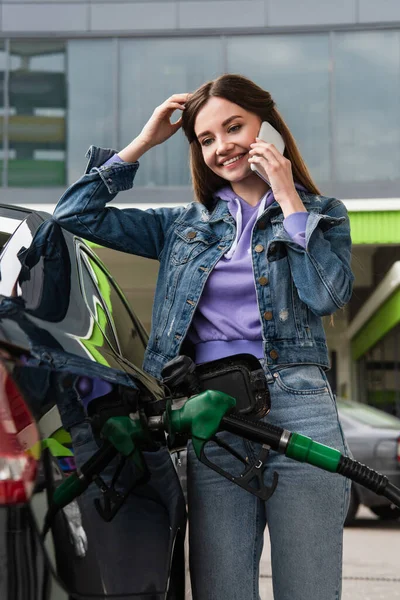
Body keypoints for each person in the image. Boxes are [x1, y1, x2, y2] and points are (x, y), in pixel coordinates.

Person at [53, 73, 353, 600]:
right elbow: (74, 215)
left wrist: (287, 195)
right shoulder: (182, 227)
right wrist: (144, 141)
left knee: (308, 589)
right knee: (221, 590)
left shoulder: (322, 216)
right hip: (210, 415)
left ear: (269, 127)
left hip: (299, 406)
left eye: (233, 127)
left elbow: (327, 295)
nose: (221, 147)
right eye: (206, 139)